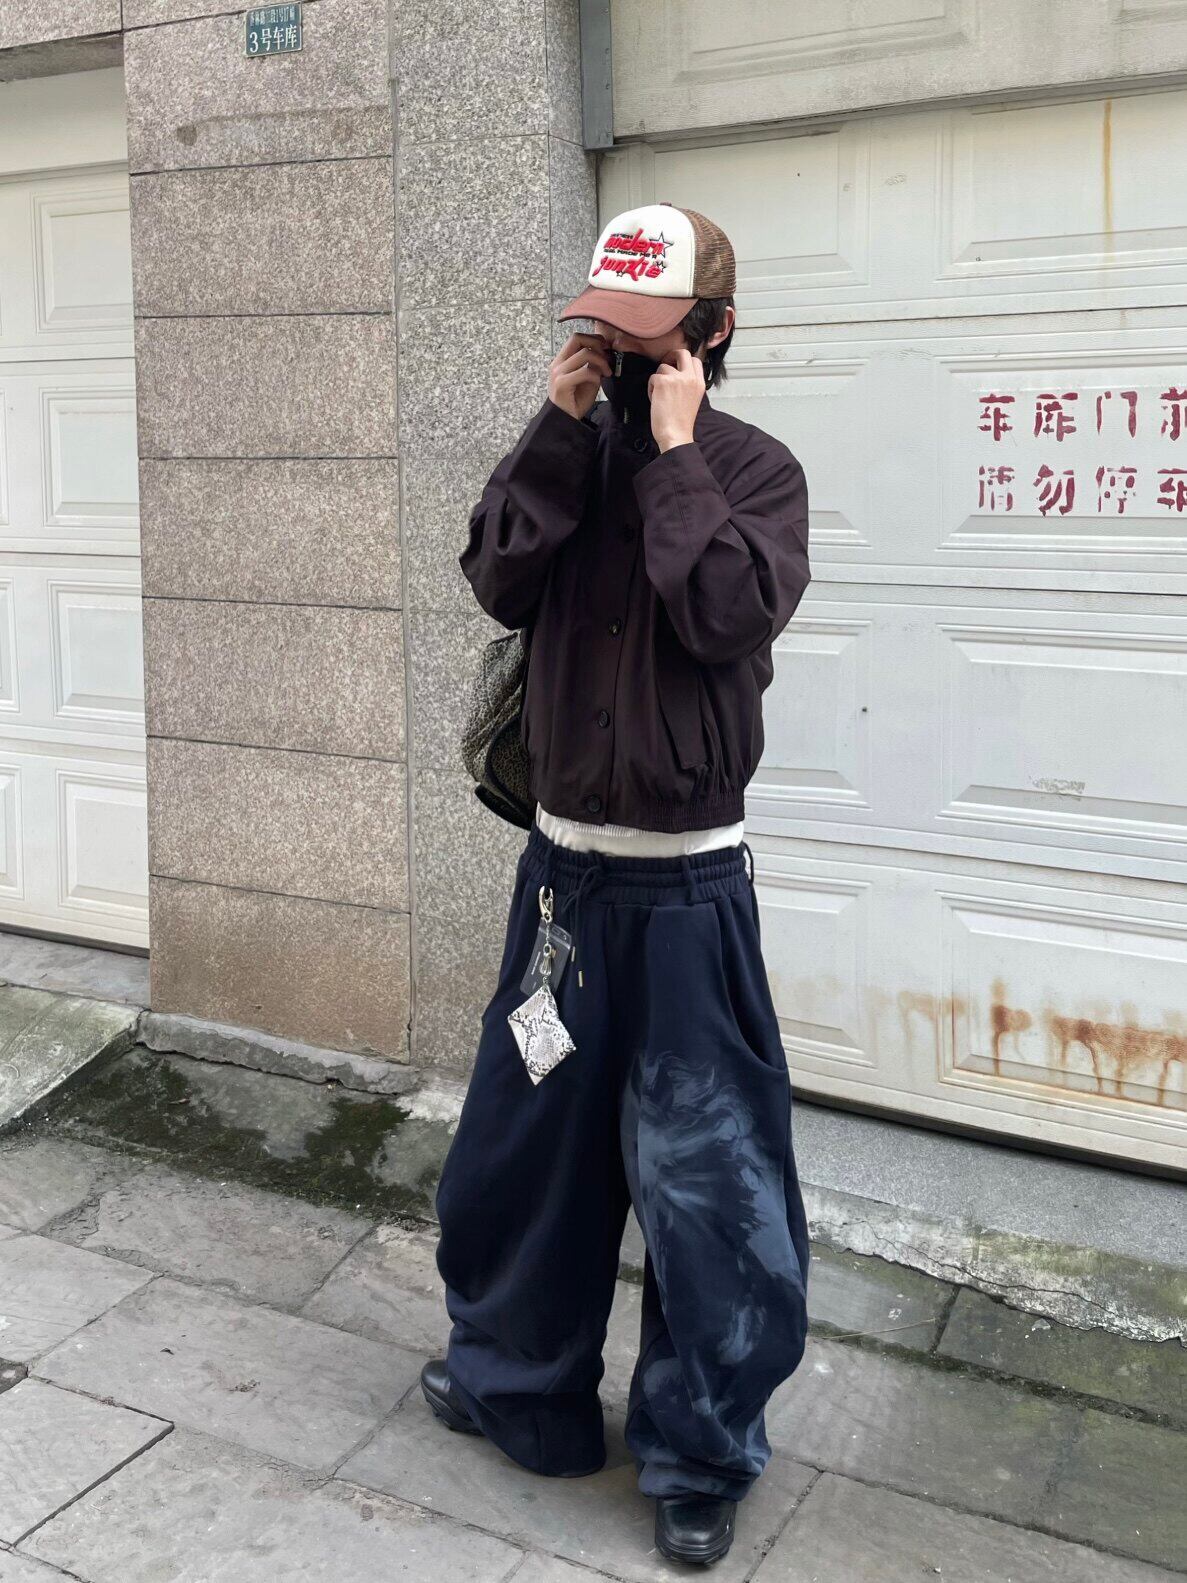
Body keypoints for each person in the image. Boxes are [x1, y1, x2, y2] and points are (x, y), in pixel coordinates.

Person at [424, 202, 812, 1568]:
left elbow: (727, 614)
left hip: (689, 899)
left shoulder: (754, 473)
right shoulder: (569, 454)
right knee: (522, 1163)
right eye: (607, 333)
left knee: (710, 1193)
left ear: (714, 333)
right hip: (561, 891)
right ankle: (517, 1388)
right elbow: (493, 576)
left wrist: (677, 454)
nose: (626, 357)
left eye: (652, 338)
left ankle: (700, 1453)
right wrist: (557, 424)